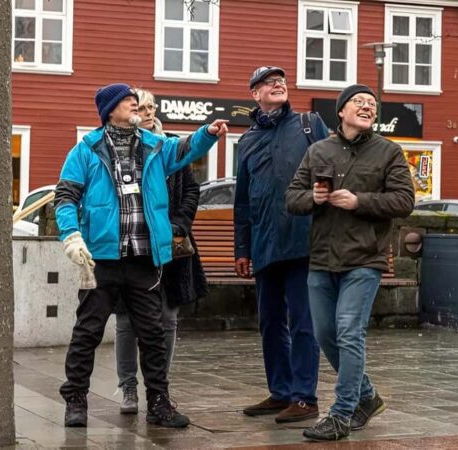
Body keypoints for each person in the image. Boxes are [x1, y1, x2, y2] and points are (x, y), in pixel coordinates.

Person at [55, 82, 227, 428]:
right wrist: (71, 236)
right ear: (109, 111)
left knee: (153, 333)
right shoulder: (86, 149)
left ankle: (159, 403)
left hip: (144, 260)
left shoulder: (154, 145)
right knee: (88, 331)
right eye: (127, 101)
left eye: (135, 100)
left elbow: (185, 149)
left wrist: (208, 133)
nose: (135, 104)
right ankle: (75, 399)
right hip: (101, 260)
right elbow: (66, 196)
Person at [285, 84, 414, 441]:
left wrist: (360, 201)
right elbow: (292, 198)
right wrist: (312, 197)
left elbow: (404, 201)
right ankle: (368, 396)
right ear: (341, 111)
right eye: (359, 101)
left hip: (364, 259)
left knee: (348, 331)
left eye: (372, 103)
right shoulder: (318, 150)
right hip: (322, 258)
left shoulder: (389, 152)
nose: (367, 106)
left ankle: (342, 414)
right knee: (326, 334)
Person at [234, 66, 329, 423]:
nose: (277, 85)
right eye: (268, 83)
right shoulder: (247, 140)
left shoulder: (309, 124)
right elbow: (243, 199)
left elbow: (331, 170)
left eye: (281, 81)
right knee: (270, 323)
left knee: (303, 322)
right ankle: (281, 392)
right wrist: (242, 249)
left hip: (304, 241)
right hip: (264, 243)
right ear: (255, 94)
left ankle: (305, 398)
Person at [113, 88, 208, 415]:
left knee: (168, 317)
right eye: (141, 107)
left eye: (152, 106)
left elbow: (191, 190)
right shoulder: (119, 147)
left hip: (170, 247)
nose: (148, 112)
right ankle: (128, 386)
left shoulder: (171, 146)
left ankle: (159, 388)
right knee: (127, 321)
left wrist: (179, 224)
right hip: (131, 245)